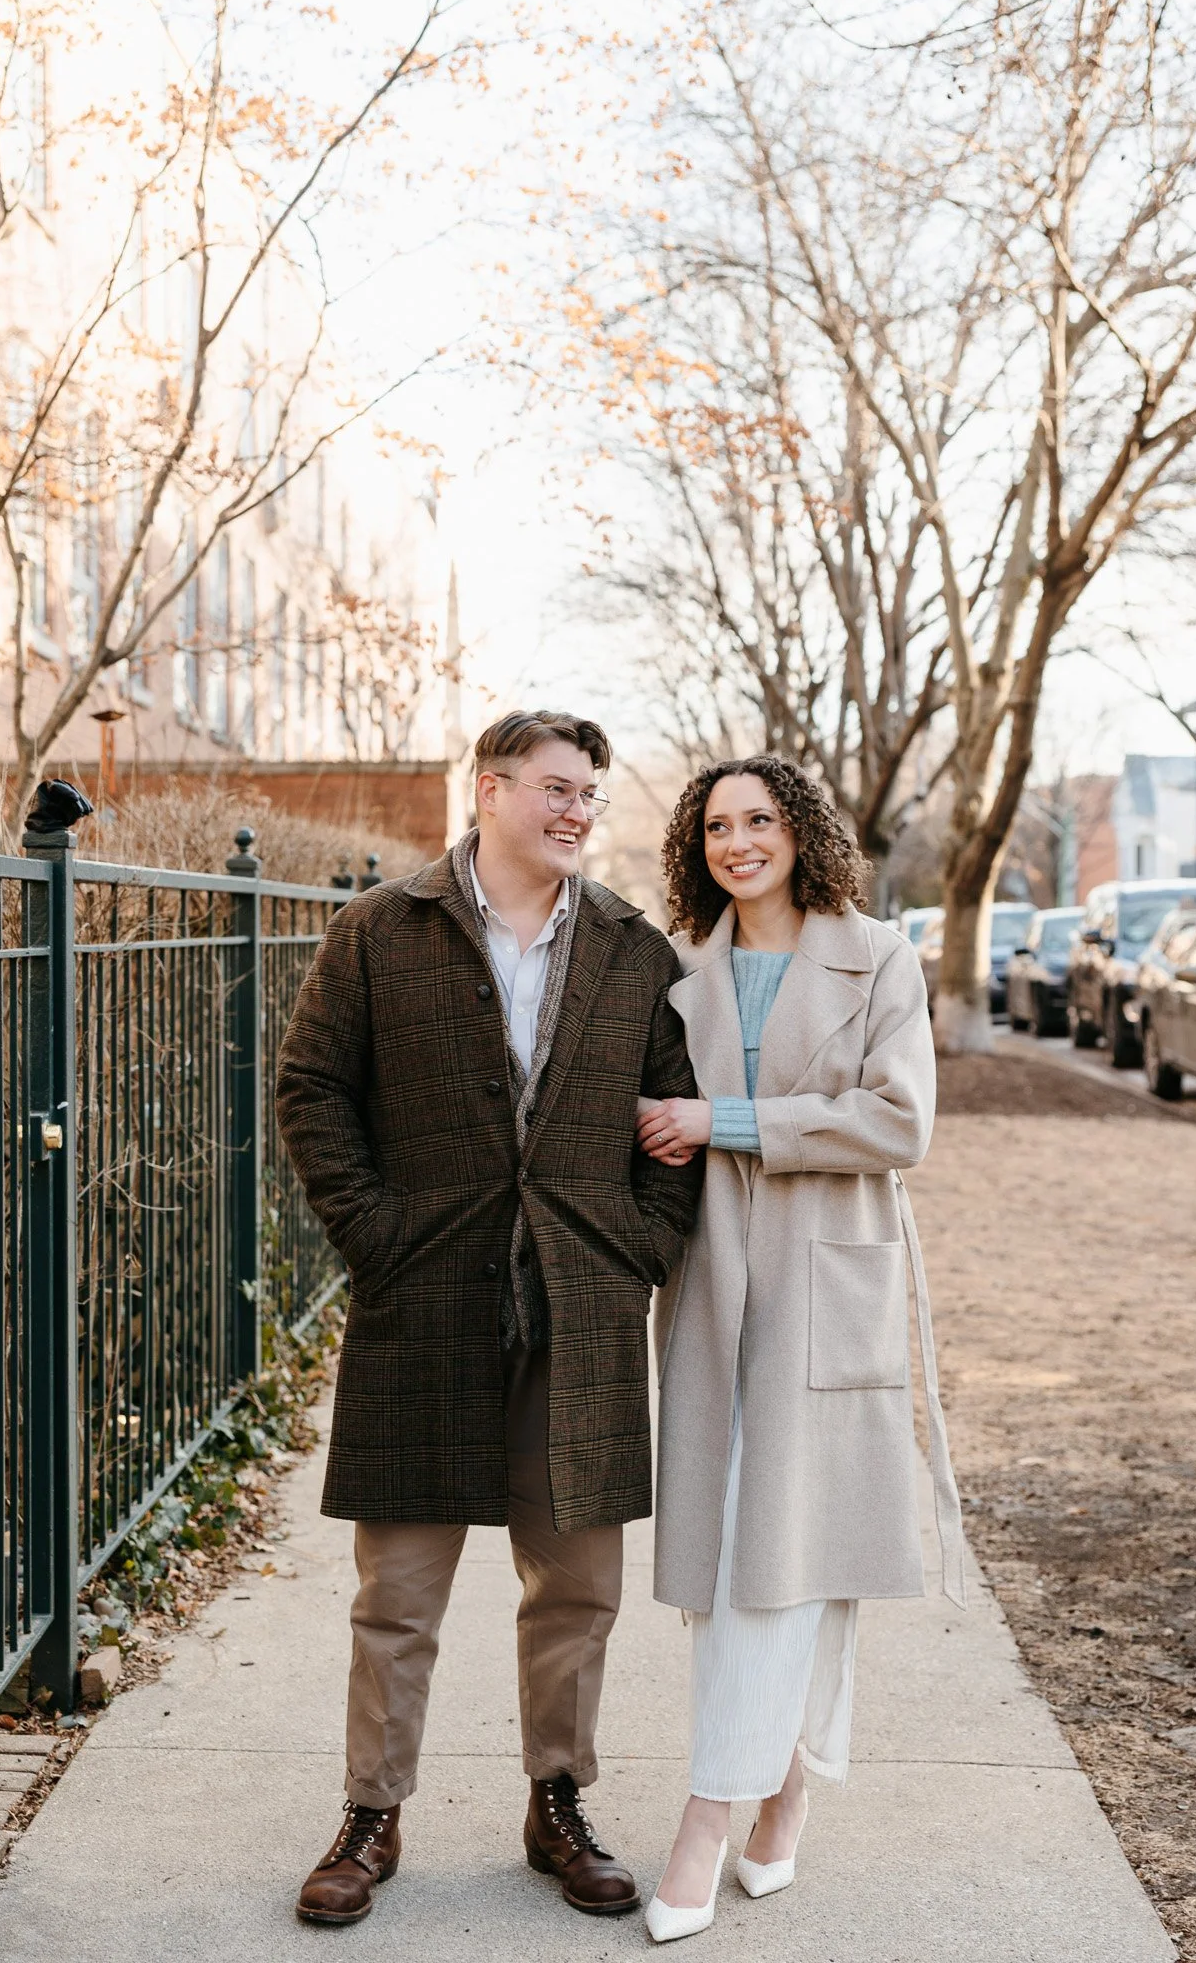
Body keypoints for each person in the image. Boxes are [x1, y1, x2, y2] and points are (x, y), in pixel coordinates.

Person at [275, 708, 702, 1929]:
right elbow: (311, 1087)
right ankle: (371, 1814)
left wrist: (639, 1251)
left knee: (577, 1587)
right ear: (492, 788)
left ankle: (557, 1802)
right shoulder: (381, 929)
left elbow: (673, 1115)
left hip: (581, 1306)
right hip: (425, 1301)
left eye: (589, 794)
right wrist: (377, 1235)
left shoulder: (632, 949)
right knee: (398, 1592)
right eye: (557, 788)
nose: (577, 810)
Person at [635, 756, 965, 1943]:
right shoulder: (680, 969)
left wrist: (723, 1120)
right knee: (734, 1553)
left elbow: (899, 1120)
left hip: (828, 1277)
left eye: (759, 818)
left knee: (786, 1547)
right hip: (712, 1278)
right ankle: (783, 1786)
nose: (738, 841)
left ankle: (708, 1815)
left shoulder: (878, 956)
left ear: (800, 829)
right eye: (717, 825)